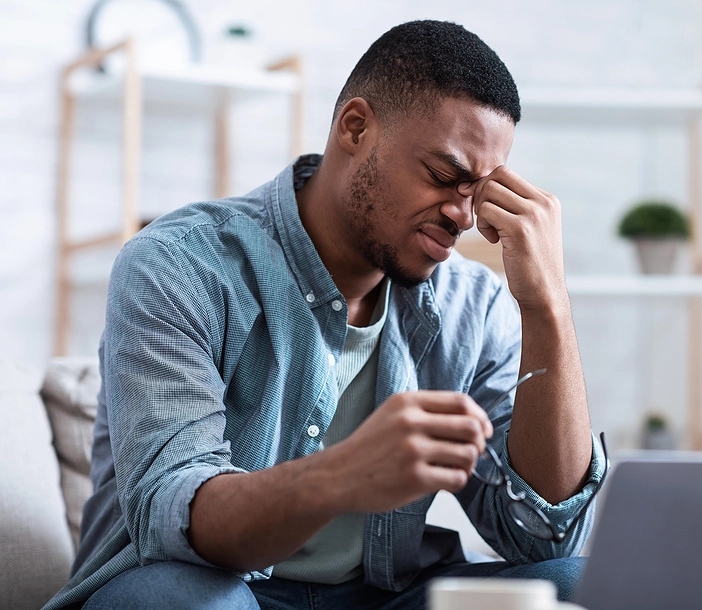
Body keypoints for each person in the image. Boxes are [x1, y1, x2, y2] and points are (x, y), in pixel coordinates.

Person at [45, 20, 607, 610]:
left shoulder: (473, 304)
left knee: (575, 582)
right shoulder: (180, 265)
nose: (463, 217)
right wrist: (344, 476)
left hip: (384, 595)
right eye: (444, 177)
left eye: (479, 191)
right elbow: (173, 523)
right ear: (355, 128)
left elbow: (542, 536)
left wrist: (546, 304)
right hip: (220, 588)